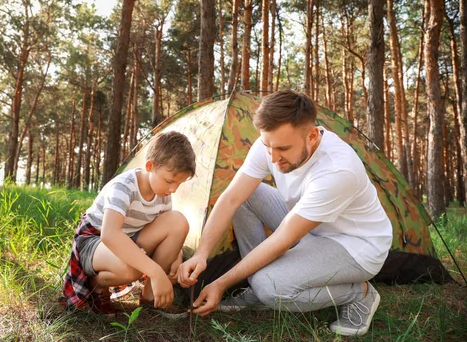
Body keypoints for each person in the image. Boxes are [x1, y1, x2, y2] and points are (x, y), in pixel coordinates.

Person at [178, 90, 392, 336]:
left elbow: (282, 241)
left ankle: (359, 293)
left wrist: (221, 283)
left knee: (269, 287)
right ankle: (256, 284)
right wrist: (201, 254)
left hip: (355, 246)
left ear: (312, 136)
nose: (273, 157)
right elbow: (231, 198)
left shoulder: (337, 171)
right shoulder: (270, 144)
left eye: (283, 148)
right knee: (248, 196)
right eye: (267, 145)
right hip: (308, 226)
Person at [62, 131, 195, 316]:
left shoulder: (163, 194)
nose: (173, 189)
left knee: (178, 221)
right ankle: (96, 286)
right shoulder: (124, 187)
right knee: (132, 269)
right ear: (150, 166)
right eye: (169, 181)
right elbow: (110, 235)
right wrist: (156, 271)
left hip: (131, 239)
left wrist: (176, 256)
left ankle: (150, 298)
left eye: (179, 183)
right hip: (96, 240)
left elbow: (166, 227)